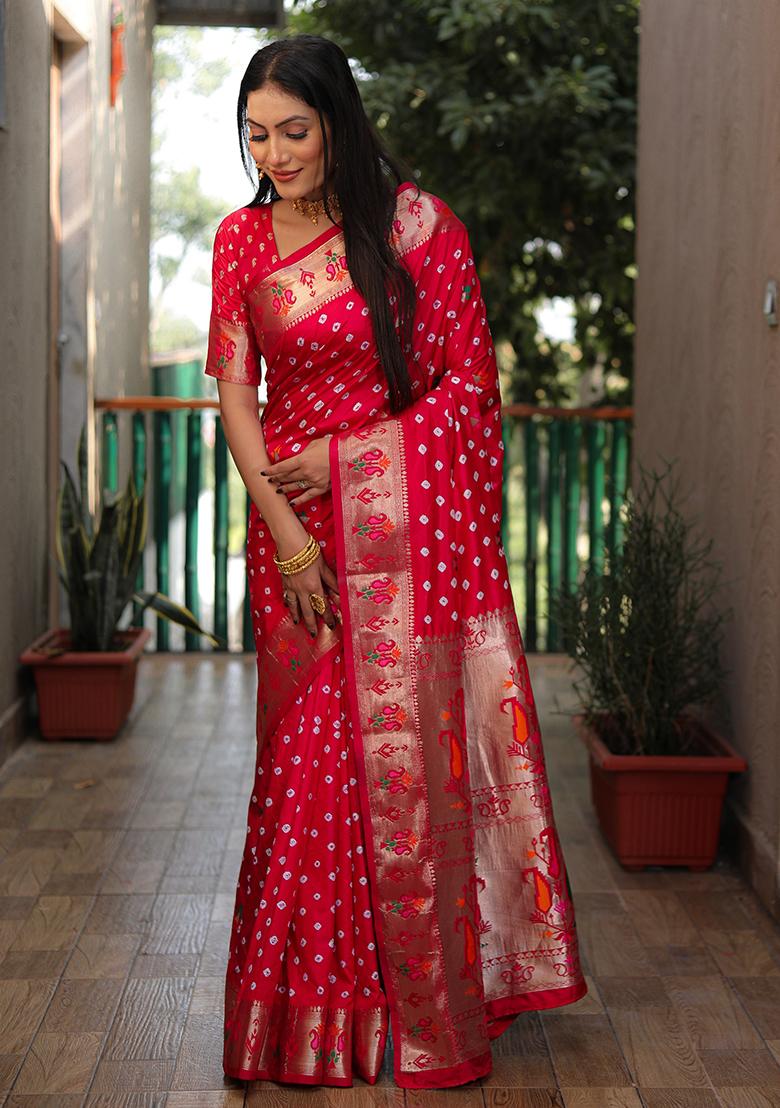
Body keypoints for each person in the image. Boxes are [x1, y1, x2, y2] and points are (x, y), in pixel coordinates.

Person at [204, 32, 587, 1091]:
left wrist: (347, 457)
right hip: (294, 541)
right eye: (256, 135)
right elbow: (236, 394)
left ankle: (406, 1016)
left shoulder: (419, 229)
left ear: (337, 123)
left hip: (399, 541)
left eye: (293, 130)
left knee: (396, 775)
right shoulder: (242, 242)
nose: (274, 153)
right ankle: (303, 1025)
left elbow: (467, 395)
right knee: (301, 777)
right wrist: (285, 530)